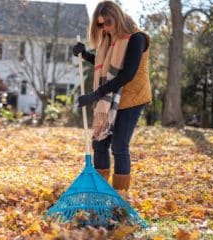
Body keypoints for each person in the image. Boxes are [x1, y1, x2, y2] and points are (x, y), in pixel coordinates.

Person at [73, 1, 151, 191]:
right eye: (101, 25)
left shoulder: (136, 38)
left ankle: (120, 200)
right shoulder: (110, 41)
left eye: (108, 22)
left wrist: (95, 95)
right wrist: (84, 54)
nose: (106, 28)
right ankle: (101, 193)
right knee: (99, 143)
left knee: (119, 145)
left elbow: (126, 74)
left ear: (117, 16)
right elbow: (107, 69)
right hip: (111, 99)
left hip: (132, 98)